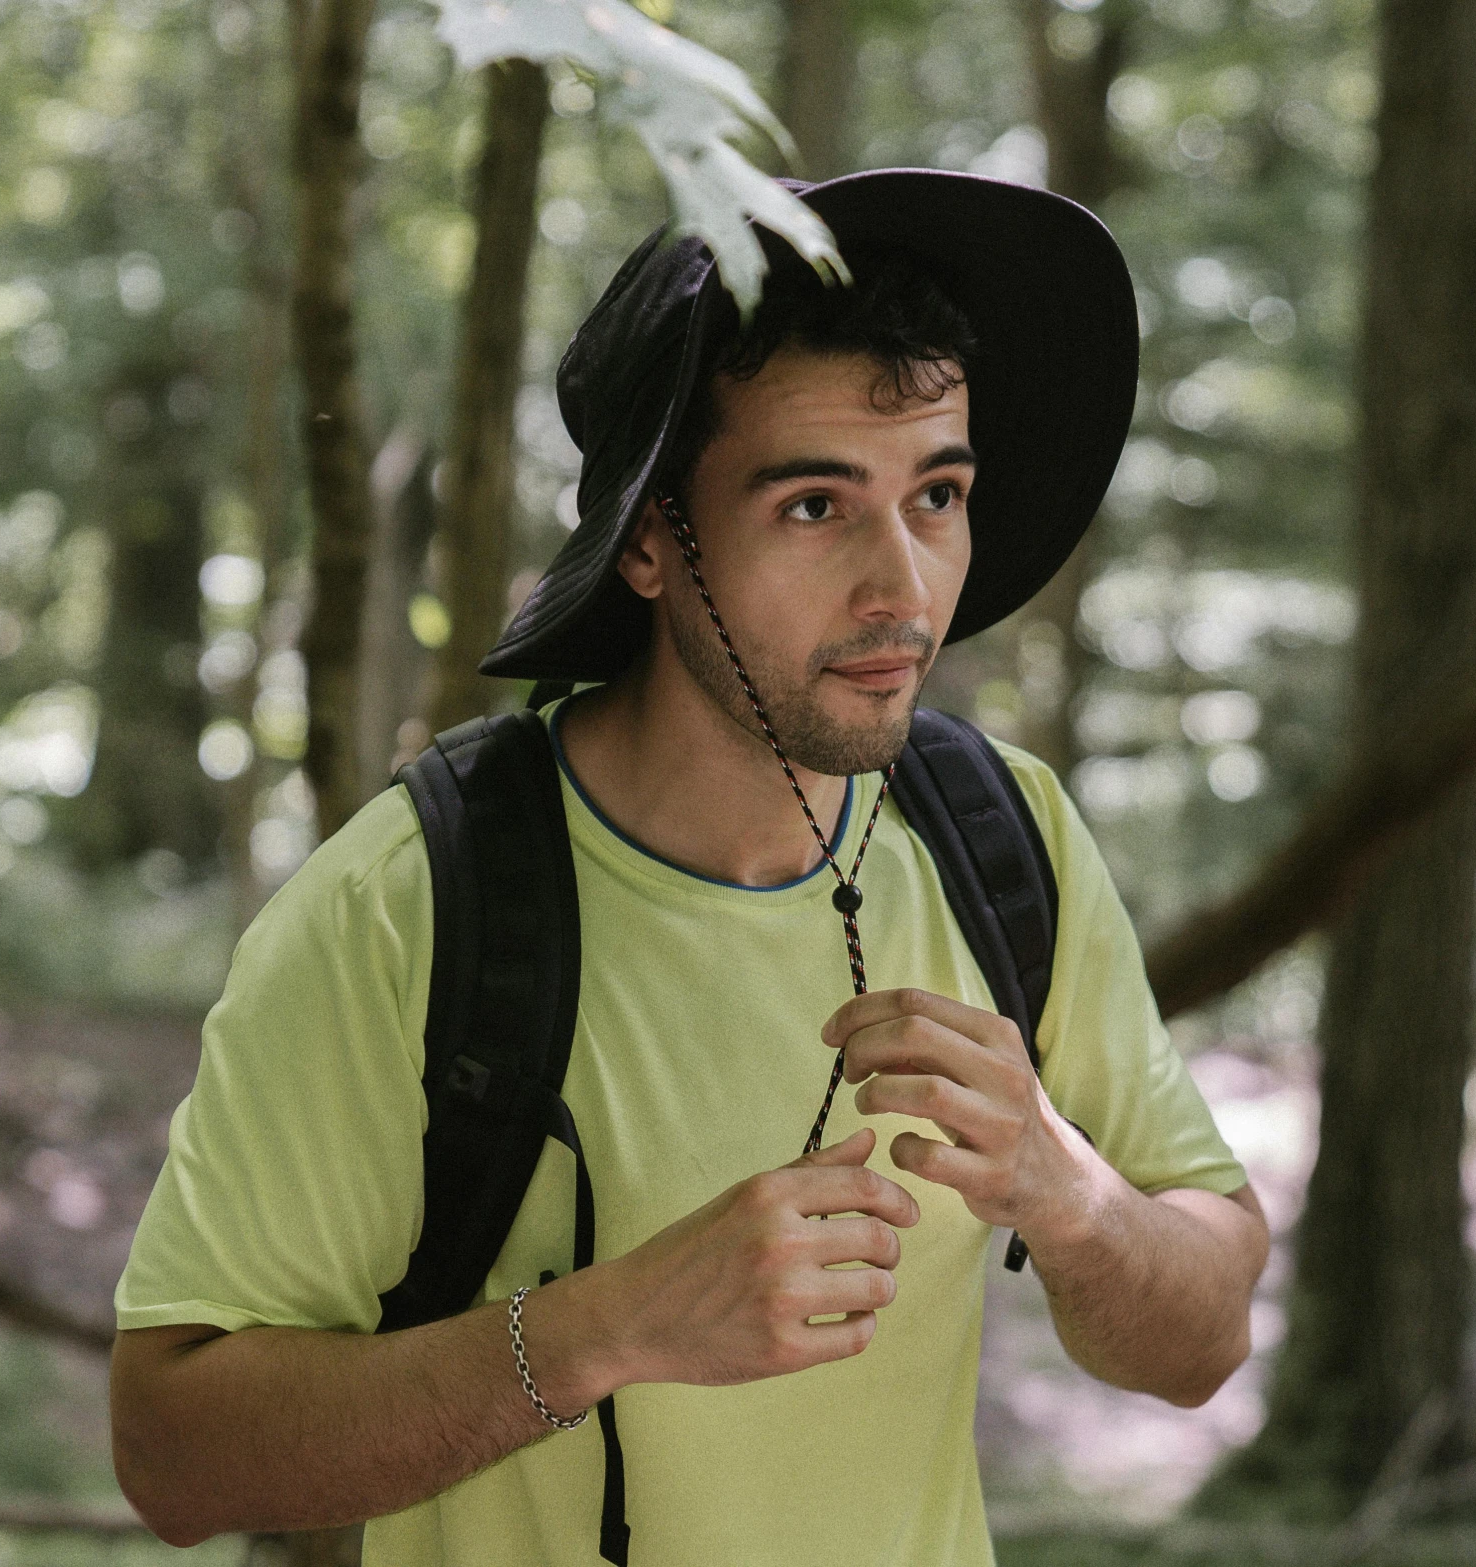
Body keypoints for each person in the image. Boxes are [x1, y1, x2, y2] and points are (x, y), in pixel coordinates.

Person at [107, 169, 1269, 1565]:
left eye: (938, 493)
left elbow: (1202, 1337)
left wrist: (1069, 1193)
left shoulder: (1001, 834)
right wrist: (612, 1326)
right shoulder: (407, 905)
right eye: (812, 508)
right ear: (653, 542)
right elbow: (172, 1456)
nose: (901, 584)